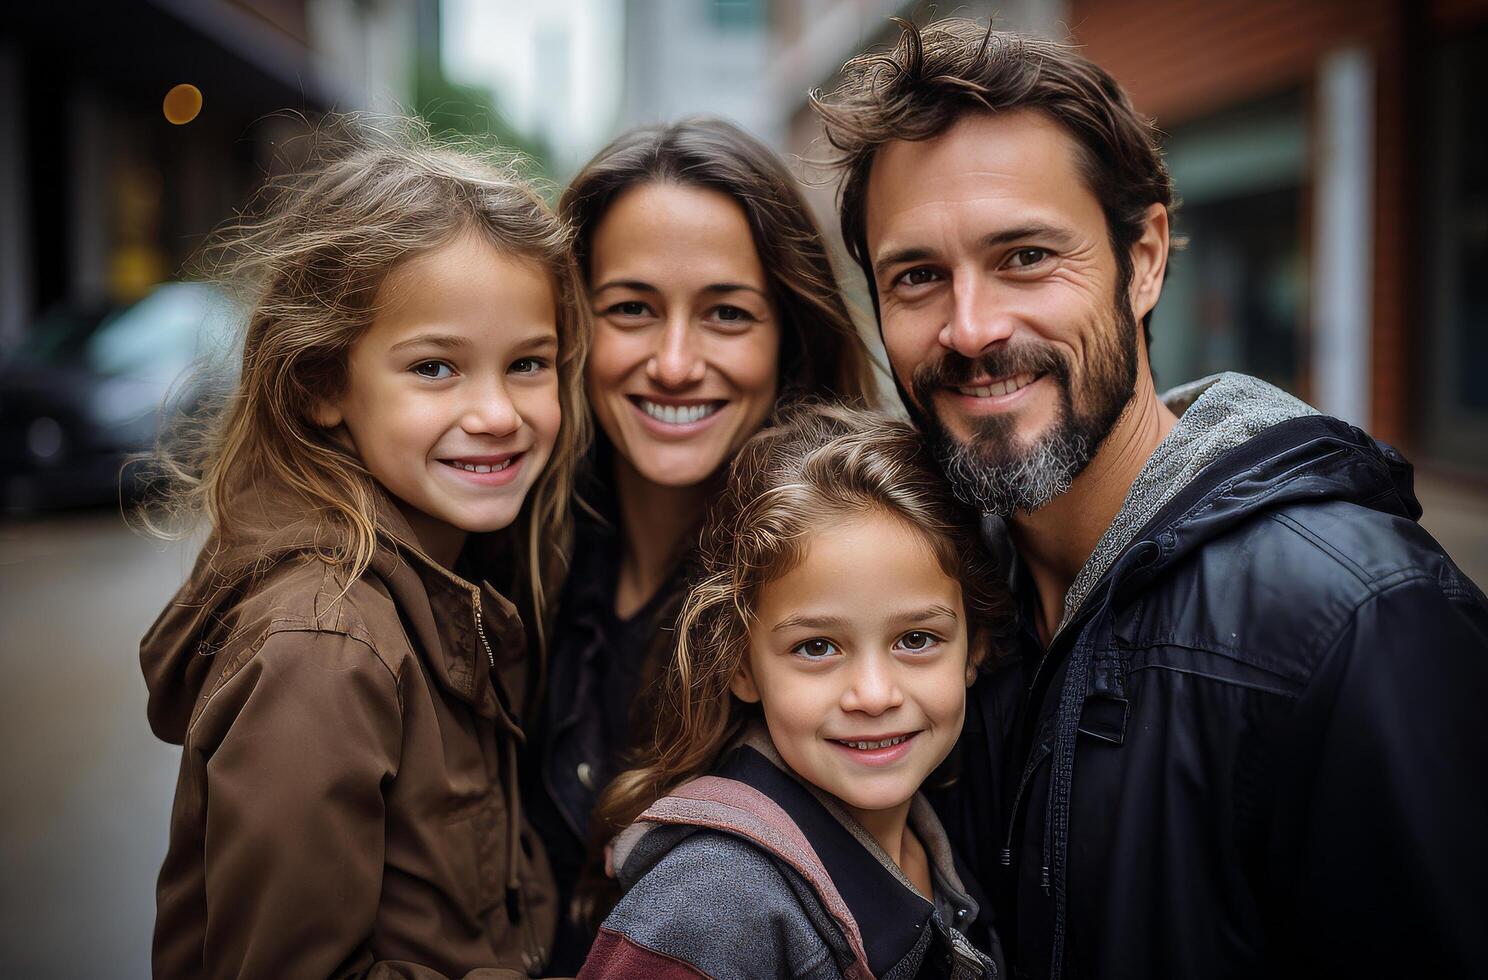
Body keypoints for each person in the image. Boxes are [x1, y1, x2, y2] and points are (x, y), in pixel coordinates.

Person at [812, 18, 1488, 979]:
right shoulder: (941, 601)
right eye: (918, 276)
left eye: (1026, 257)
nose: (969, 328)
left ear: (1144, 261)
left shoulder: (1362, 623)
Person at [137, 119, 588, 978]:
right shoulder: (326, 650)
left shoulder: (447, 577)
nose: (497, 412)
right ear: (320, 384)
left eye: (529, 364)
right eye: (435, 368)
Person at [527, 117, 878, 968]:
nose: (676, 362)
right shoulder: (516, 553)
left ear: (787, 336)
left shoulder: (841, 594)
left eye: (725, 313)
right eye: (632, 309)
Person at [577, 404, 1009, 979]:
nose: (874, 695)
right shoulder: (716, 900)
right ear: (742, 665)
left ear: (973, 649)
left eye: (917, 639)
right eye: (816, 648)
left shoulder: (939, 844)